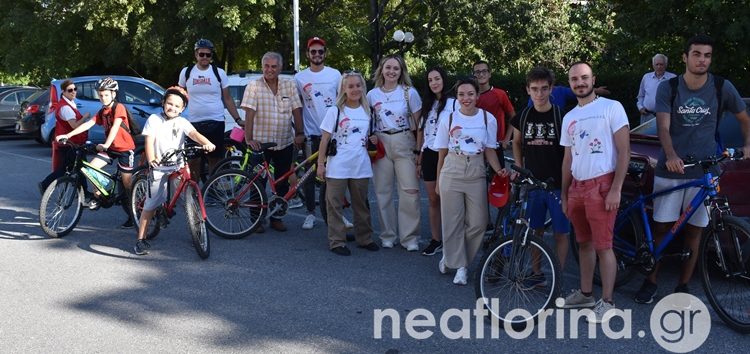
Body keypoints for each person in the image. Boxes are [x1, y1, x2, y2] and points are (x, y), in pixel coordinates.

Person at [633, 34, 750, 304]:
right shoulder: (670, 88)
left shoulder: (722, 87)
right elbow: (662, 126)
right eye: (697, 54)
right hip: (671, 171)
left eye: (707, 55)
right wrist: (671, 154)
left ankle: (683, 285)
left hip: (705, 170)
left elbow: (744, 118)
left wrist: (747, 144)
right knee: (662, 228)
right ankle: (650, 281)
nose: (702, 60)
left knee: (695, 231)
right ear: (685, 57)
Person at [558, 62, 630, 324]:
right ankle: (587, 294)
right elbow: (567, 159)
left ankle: (608, 302)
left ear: (593, 79)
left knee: (604, 246)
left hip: (602, 186)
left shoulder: (612, 108)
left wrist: (616, 189)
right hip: (577, 186)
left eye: (584, 78)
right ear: (570, 83)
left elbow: (624, 151)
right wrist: (565, 195)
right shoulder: (569, 117)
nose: (580, 83)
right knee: (584, 244)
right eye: (575, 79)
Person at [434, 77, 504, 285]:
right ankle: (461, 266)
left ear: (477, 95)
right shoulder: (448, 119)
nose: (466, 98)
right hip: (452, 169)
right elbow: (441, 153)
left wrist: (499, 171)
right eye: (461, 94)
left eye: (470, 94)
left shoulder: (487, 119)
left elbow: (490, 149)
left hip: (476, 169)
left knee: (479, 223)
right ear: (456, 97)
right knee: (452, 221)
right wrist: (438, 180)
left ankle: (453, 257)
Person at [134, 86, 216, 255]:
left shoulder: (182, 122)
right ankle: (141, 239)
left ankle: (195, 229)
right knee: (151, 203)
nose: (172, 108)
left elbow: (194, 133)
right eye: (169, 103)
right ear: (163, 103)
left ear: (183, 108)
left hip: (177, 165)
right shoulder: (155, 119)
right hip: (159, 166)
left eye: (177, 106)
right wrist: (151, 158)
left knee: (187, 194)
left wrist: (207, 142)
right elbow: (149, 140)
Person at [510, 67, 570, 286]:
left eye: (544, 89)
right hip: (533, 185)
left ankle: (558, 276)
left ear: (551, 89)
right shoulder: (523, 116)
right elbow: (516, 142)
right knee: (535, 231)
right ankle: (536, 274)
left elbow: (570, 151)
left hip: (557, 184)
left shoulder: (561, 116)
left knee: (561, 232)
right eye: (534, 89)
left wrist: (568, 184)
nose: (539, 94)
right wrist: (518, 165)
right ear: (528, 90)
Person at [55, 77, 138, 228]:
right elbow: (89, 123)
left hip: (125, 149)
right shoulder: (102, 111)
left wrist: (105, 143)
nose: (103, 97)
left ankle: (134, 213)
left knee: (127, 185)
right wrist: (68, 135)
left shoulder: (119, 108)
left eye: (106, 94)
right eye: (100, 95)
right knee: (90, 169)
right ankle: (99, 195)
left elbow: (115, 127)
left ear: (113, 94)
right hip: (110, 149)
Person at [316, 72, 380, 256]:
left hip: (360, 164)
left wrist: (373, 139)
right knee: (334, 205)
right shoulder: (335, 110)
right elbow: (325, 139)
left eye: (358, 85)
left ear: (363, 87)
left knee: (361, 204)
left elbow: (367, 137)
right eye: (350, 86)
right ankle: (337, 241)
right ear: (343, 89)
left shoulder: (368, 111)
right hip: (338, 165)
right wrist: (321, 164)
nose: (355, 89)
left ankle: (364, 238)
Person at [241, 51, 304, 232]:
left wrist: (300, 133)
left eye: (273, 66)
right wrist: (249, 139)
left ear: (280, 68)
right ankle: (257, 220)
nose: (269, 70)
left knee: (282, 182)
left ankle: (277, 217)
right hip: (260, 144)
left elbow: (297, 110)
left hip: (284, 142)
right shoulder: (254, 86)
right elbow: (250, 114)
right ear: (262, 67)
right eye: (266, 66)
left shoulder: (289, 85)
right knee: (256, 182)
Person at [367, 54, 422, 251]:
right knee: (383, 191)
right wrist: (371, 138)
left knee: (410, 191)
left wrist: (418, 151)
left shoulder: (409, 93)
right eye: (388, 67)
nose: (391, 71)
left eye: (396, 69)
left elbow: (418, 125)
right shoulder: (372, 95)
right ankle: (387, 234)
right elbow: (368, 122)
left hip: (404, 140)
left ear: (401, 72)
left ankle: (410, 237)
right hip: (381, 142)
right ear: (381, 69)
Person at [294, 36, 344, 230]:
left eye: (320, 51)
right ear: (308, 54)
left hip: (334, 134)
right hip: (311, 133)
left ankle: (332, 213)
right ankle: (310, 213)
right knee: (308, 176)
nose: (316, 55)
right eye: (313, 51)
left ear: (325, 53)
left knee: (332, 176)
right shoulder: (299, 77)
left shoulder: (335, 75)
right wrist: (298, 131)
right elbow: (296, 106)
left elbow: (342, 101)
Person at [178, 38, 243, 182]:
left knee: (214, 158)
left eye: (208, 55)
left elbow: (227, 98)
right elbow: (180, 95)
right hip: (193, 123)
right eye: (202, 54)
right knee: (194, 160)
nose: (205, 58)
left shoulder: (219, 73)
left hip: (216, 121)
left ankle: (212, 191)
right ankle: (193, 191)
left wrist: (238, 119)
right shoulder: (186, 72)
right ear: (196, 54)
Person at [416, 66, 455, 256]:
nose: (434, 83)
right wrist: (419, 158)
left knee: (449, 199)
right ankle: (435, 239)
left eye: (437, 78)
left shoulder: (454, 103)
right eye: (430, 80)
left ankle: (452, 239)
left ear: (444, 79)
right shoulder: (428, 105)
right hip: (430, 154)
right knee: (433, 199)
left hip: (448, 155)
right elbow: (425, 134)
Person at [40, 80, 90, 193]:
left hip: (71, 143)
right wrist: (85, 117)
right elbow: (74, 125)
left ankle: (83, 192)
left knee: (75, 168)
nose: (73, 92)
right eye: (70, 90)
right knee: (78, 168)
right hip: (70, 144)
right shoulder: (65, 107)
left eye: (75, 89)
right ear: (63, 92)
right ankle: (45, 184)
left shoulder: (70, 103)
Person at [472, 60, 515, 151]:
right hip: (475, 146)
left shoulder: (500, 94)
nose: (481, 74)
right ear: (474, 75)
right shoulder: (470, 97)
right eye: (477, 72)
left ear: (489, 74)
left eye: (484, 71)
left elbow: (513, 117)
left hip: (496, 145)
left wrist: (507, 139)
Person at [636, 53, 676, 125]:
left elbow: (677, 98)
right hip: (647, 115)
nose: (659, 67)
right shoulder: (646, 77)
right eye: (657, 64)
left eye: (661, 64)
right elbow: (641, 95)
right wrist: (640, 107)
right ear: (653, 65)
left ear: (665, 65)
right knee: (646, 136)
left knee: (665, 136)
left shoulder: (673, 78)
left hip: (666, 116)